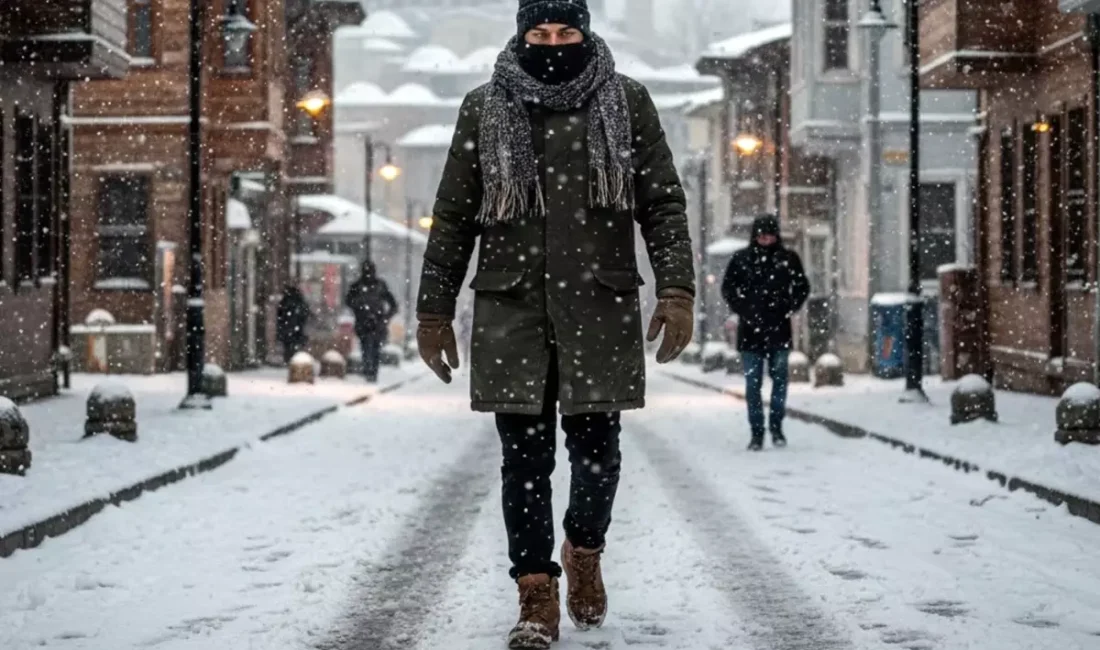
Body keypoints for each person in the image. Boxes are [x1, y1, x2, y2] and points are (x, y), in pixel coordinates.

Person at [415, 2, 695, 647]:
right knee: (524, 460)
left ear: (586, 33)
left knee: (598, 455)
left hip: (598, 302)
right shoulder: (484, 107)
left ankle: (584, 549)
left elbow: (662, 204)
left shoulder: (626, 101)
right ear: (521, 36)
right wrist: (434, 311)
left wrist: (676, 291)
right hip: (511, 306)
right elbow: (454, 216)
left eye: (566, 32)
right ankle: (535, 591)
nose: (553, 43)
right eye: (539, 33)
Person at [721, 214, 811, 452]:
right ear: (755, 235)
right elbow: (728, 288)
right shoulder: (741, 259)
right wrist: (743, 308)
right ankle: (757, 432)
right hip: (750, 332)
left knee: (779, 381)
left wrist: (789, 307)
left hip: (779, 331)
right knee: (753, 386)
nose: (765, 239)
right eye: (761, 235)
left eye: (769, 235)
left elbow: (802, 286)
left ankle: (776, 427)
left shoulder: (787, 259)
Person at [346, 260, 398, 383]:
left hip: (375, 323)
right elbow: (348, 301)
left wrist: (385, 317)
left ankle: (371, 372)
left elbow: (393, 305)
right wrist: (359, 309)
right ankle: (369, 371)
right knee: (369, 348)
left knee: (372, 349)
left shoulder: (378, 285)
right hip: (366, 323)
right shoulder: (359, 286)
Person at [275, 285, 311, 364]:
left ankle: (289, 360)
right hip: (297, 329)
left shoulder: (285, 301)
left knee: (288, 347)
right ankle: (295, 360)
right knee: (296, 347)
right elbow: (305, 313)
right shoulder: (299, 301)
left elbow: (280, 316)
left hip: (287, 329)